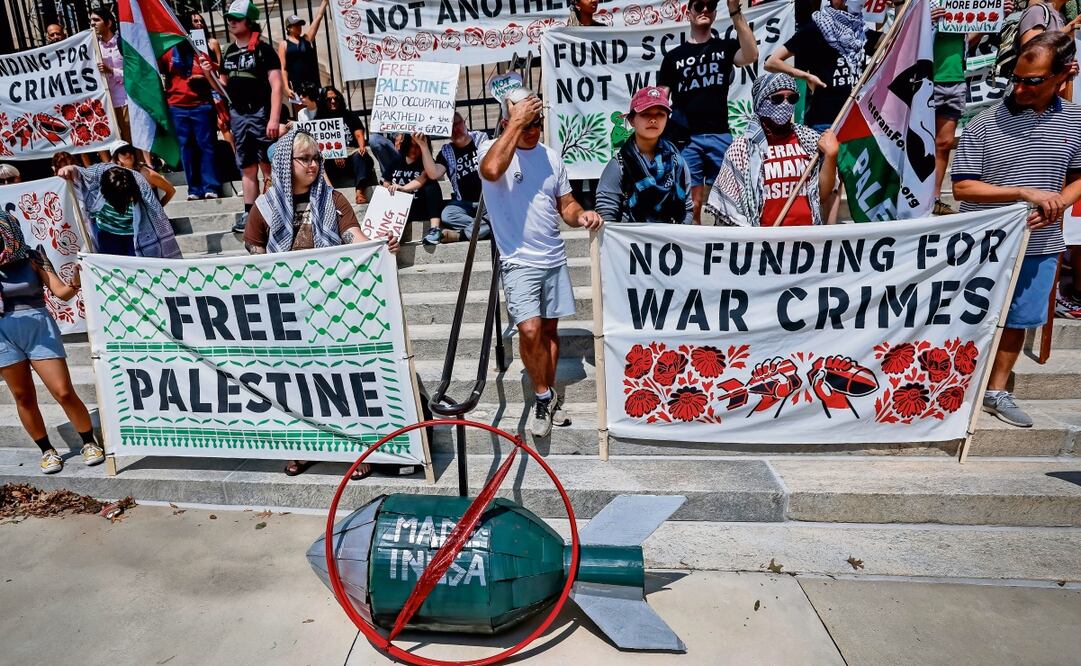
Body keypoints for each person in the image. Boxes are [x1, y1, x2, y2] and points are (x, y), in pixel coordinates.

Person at [242, 128, 395, 476]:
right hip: (285, 313)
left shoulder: (334, 201)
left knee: (339, 380)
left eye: (316, 158)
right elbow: (253, 260)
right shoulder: (263, 209)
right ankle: (303, 446)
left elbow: (356, 240)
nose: (313, 165)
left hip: (330, 307)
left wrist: (379, 246)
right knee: (295, 384)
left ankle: (356, 450)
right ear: (285, 163)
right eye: (305, 159)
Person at [952, 32, 1081, 428]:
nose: (1021, 87)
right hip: (983, 244)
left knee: (1021, 320)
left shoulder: (1075, 121)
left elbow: (1078, 177)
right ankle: (954, 384)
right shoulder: (984, 123)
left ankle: (997, 389)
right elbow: (962, 187)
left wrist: (1061, 199)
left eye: (1033, 81)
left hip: (1041, 243)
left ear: (1063, 75)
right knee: (968, 316)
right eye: (1017, 78)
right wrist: (1022, 193)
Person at [478, 88, 603, 437]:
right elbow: (490, 172)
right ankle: (543, 394)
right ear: (508, 121)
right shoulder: (492, 151)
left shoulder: (551, 157)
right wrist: (514, 124)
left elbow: (566, 204)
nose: (532, 129)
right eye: (525, 122)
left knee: (549, 331)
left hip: (553, 256)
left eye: (537, 123)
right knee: (529, 329)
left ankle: (546, 395)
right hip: (518, 261)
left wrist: (582, 216)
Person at [0, 211, 104, 475]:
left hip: (39, 329)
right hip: (3, 335)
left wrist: (76, 282)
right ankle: (47, 450)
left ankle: (89, 442)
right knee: (23, 396)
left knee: (63, 391)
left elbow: (62, 293)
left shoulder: (34, 258)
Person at [657, 0, 759, 224]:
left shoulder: (725, 47)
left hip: (719, 135)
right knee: (691, 206)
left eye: (710, 5)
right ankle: (695, 255)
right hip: (686, 140)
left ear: (714, 14)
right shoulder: (672, 57)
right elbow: (660, 100)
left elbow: (751, 55)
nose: (704, 9)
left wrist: (735, 12)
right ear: (688, 13)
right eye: (699, 5)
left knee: (729, 203)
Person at [707, 73, 839, 226]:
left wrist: (831, 155)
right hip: (765, 242)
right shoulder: (742, 149)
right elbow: (731, 211)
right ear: (760, 103)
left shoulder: (809, 140)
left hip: (806, 239)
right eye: (777, 98)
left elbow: (821, 196)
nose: (785, 104)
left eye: (792, 98)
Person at [219, 0, 282, 234]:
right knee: (246, 167)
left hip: (260, 113)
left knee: (267, 165)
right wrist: (208, 72)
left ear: (250, 21)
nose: (231, 22)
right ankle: (250, 212)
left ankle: (273, 210)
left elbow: (277, 85)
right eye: (229, 18)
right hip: (238, 115)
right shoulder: (228, 51)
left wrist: (274, 118)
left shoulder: (264, 49)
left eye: (237, 18)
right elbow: (222, 86)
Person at [764, 0, 872, 132]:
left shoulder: (860, 32)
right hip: (825, 122)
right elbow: (772, 62)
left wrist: (899, 3)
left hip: (856, 119)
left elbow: (898, 36)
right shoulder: (817, 28)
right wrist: (807, 76)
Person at [595, 86, 693, 224]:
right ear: (631, 120)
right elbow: (606, 215)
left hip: (670, 243)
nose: (653, 120)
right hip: (628, 243)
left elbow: (687, 210)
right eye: (645, 114)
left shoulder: (678, 163)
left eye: (660, 114)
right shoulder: (619, 165)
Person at [57, 163, 182, 258]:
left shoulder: (139, 185)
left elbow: (157, 211)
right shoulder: (98, 177)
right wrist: (69, 168)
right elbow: (80, 173)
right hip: (106, 233)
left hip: (133, 235)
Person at [160, 42, 222, 201]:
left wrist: (204, 76)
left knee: (206, 146)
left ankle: (211, 186)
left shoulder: (200, 55)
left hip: (200, 106)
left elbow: (214, 80)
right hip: (177, 107)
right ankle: (194, 189)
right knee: (186, 148)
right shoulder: (167, 55)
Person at [418, 112, 490, 244]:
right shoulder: (446, 151)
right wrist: (423, 146)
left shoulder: (481, 139)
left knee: (496, 211)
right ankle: (487, 228)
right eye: (450, 127)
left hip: (487, 200)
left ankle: (461, 235)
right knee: (447, 215)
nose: (456, 129)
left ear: (465, 123)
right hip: (463, 203)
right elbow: (434, 174)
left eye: (458, 124)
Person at [315, 86, 378, 204]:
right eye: (329, 100)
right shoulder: (319, 119)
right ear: (323, 101)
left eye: (335, 98)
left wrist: (362, 147)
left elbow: (359, 134)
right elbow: (317, 143)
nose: (333, 101)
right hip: (330, 159)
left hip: (351, 155)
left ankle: (360, 191)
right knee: (317, 162)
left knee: (361, 156)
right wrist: (336, 154)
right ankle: (327, 194)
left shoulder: (349, 115)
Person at [383, 134, 443, 233]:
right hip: (400, 208)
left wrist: (403, 188)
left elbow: (423, 178)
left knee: (432, 186)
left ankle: (434, 229)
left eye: (418, 146)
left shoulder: (427, 162)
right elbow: (386, 183)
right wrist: (391, 188)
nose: (414, 149)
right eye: (411, 145)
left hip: (420, 205)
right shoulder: (396, 161)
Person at [90, 7, 130, 148]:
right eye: (91, 21)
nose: (93, 24)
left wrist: (112, 71)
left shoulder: (122, 43)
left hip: (124, 100)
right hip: (105, 103)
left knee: (130, 137)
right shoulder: (93, 47)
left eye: (96, 20)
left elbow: (134, 73)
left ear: (108, 23)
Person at [278, 2, 328, 111]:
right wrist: (286, 87)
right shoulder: (284, 44)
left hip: (313, 83)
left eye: (300, 24)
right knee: (302, 114)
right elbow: (283, 68)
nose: (299, 27)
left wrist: (324, 3)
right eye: (296, 25)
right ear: (289, 28)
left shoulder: (306, 39)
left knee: (318, 111)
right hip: (297, 85)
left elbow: (318, 19)